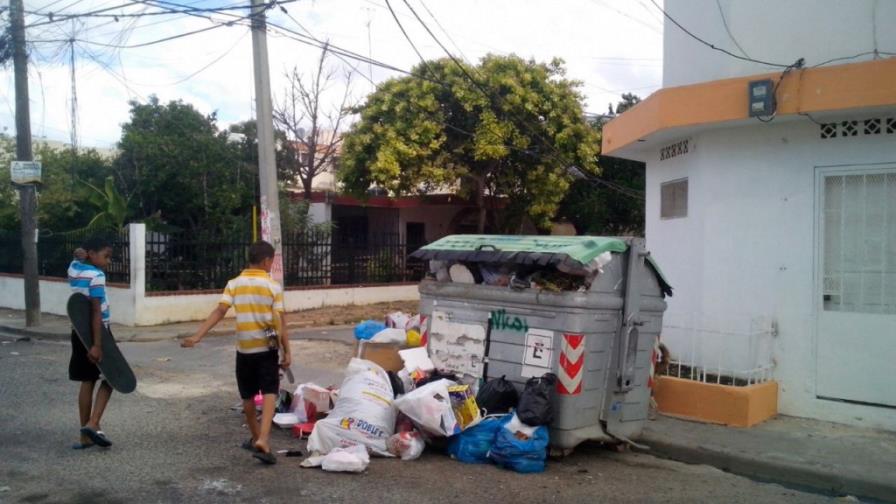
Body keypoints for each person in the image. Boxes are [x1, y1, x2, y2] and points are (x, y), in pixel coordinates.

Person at [181, 240, 291, 465]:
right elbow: (280, 320)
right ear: (266, 261)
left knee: (247, 395)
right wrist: (287, 350)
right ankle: (263, 438)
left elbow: (220, 310)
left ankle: (255, 437)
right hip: (267, 345)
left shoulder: (234, 283)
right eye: (272, 261)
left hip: (244, 349)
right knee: (270, 390)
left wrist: (198, 335)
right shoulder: (273, 286)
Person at [68, 237, 115, 449]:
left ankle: (85, 436)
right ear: (92, 254)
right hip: (98, 333)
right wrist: (97, 344)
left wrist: (79, 253)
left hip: (78, 332)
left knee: (87, 380)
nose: (108, 261)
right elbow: (96, 310)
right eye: (106, 256)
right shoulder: (96, 276)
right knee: (113, 377)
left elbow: (76, 256)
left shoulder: (74, 269)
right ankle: (93, 423)